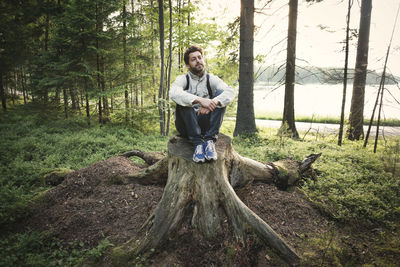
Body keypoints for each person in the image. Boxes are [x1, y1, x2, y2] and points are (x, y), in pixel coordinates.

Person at [169, 45, 235, 163]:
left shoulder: (211, 79)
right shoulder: (183, 79)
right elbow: (173, 93)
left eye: (200, 57)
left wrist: (212, 103)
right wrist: (199, 100)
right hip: (186, 125)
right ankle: (198, 144)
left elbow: (230, 91)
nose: (198, 61)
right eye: (193, 59)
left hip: (205, 123)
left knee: (221, 94)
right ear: (188, 65)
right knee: (183, 100)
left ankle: (209, 141)